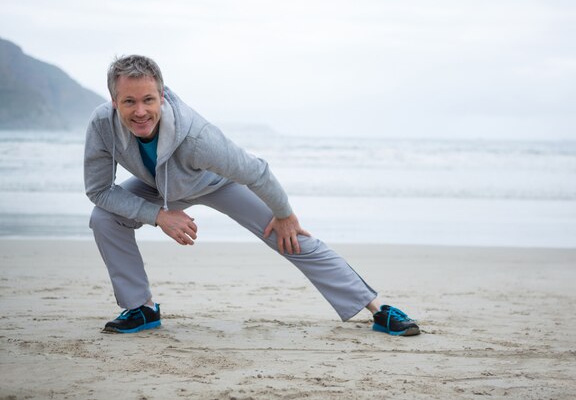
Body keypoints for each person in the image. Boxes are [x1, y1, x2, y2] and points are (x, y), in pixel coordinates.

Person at [84, 55, 420, 337]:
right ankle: (140, 309)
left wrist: (285, 215)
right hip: (157, 185)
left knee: (287, 237)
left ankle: (377, 308)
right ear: (114, 102)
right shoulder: (102, 125)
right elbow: (99, 190)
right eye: (129, 101)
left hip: (215, 184)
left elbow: (257, 172)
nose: (140, 111)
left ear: (162, 96)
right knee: (103, 218)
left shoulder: (198, 138)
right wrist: (158, 215)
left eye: (148, 100)